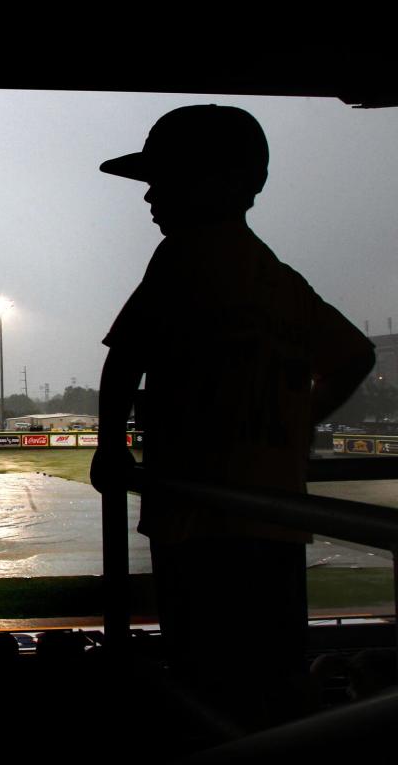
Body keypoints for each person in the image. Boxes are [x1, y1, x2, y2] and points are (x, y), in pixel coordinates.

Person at [90, 104, 375, 727]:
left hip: (197, 520)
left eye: (163, 181)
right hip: (274, 520)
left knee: (203, 684)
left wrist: (110, 447)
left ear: (219, 184)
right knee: (273, 681)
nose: (150, 197)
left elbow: (124, 363)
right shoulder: (280, 281)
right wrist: (301, 424)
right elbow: (356, 356)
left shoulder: (184, 257)